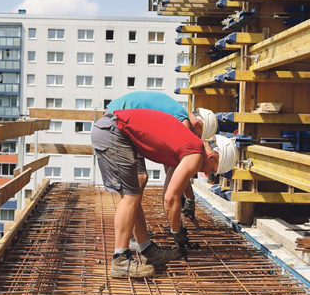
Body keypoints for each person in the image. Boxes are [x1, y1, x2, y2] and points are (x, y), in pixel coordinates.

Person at [91, 108, 238, 279]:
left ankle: (147, 249)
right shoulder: (195, 154)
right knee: (130, 196)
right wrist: (177, 232)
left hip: (113, 129)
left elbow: (169, 193)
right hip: (114, 132)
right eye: (212, 169)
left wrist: (181, 213)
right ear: (212, 157)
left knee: (134, 195)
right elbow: (170, 199)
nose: (206, 172)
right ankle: (120, 261)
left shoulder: (189, 145)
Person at [107, 92, 218, 224]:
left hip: (120, 118)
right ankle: (131, 231)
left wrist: (185, 196)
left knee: (139, 181)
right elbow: (181, 166)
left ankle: (136, 231)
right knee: (139, 179)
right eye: (198, 135)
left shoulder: (178, 112)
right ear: (198, 125)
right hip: (119, 122)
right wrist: (187, 199)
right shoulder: (184, 123)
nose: (197, 139)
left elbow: (171, 165)